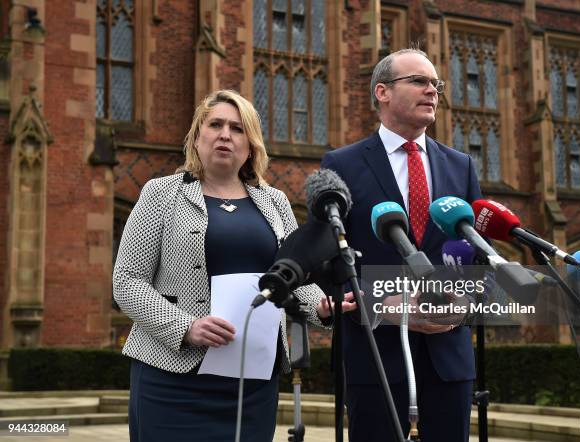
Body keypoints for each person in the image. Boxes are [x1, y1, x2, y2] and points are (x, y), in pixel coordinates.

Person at [113, 89, 355, 442]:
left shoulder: (275, 203)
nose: (225, 134)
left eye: (238, 128)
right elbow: (127, 281)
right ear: (197, 138)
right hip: (173, 379)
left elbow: (294, 274)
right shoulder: (161, 194)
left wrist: (321, 305)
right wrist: (185, 327)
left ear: (251, 144)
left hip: (253, 381)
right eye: (215, 125)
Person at [320, 48, 482, 441]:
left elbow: (478, 260)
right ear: (383, 92)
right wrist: (381, 306)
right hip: (377, 359)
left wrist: (463, 306)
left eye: (436, 84)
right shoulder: (342, 164)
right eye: (419, 81)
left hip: (450, 360)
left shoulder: (460, 166)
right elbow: (326, 264)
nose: (432, 91)